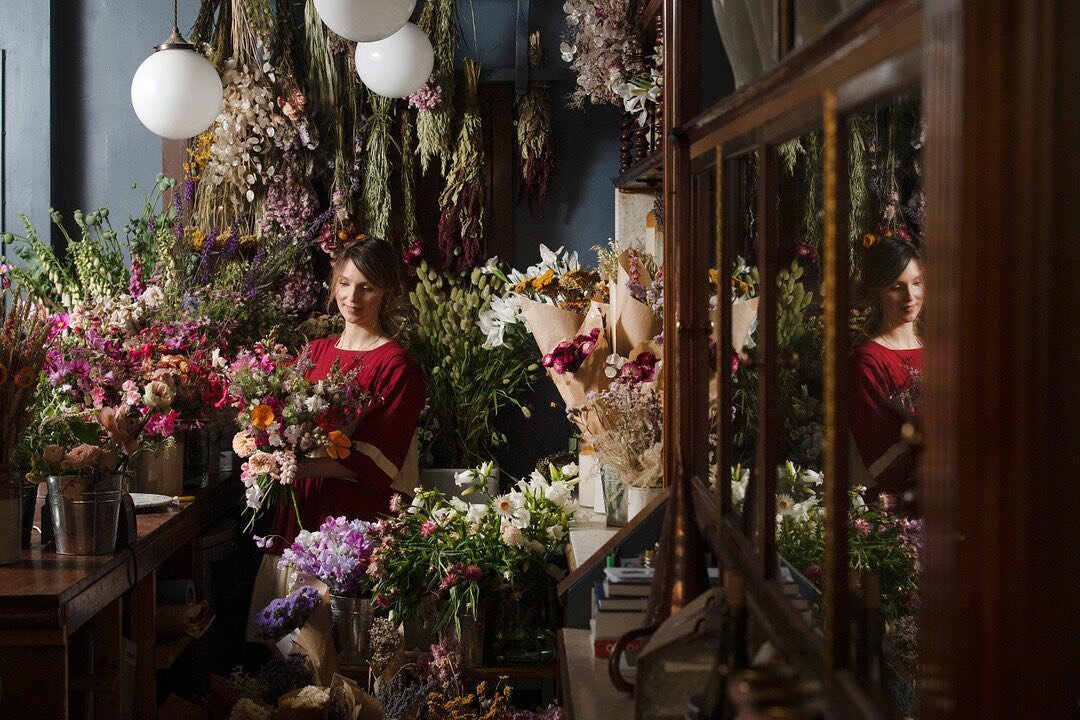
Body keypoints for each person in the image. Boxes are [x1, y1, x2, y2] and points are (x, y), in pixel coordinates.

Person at [246, 236, 426, 638]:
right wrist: (266, 448)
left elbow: (374, 463)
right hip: (302, 505)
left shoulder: (396, 366)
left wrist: (294, 466)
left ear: (387, 292)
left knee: (344, 641)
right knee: (290, 643)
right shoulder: (314, 352)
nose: (352, 296)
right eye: (345, 283)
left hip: (354, 518)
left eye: (367, 287)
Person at [850, 236, 923, 512]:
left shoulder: (937, 352)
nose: (911, 297)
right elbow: (882, 458)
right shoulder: (867, 362)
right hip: (902, 510)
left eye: (917, 283)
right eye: (897, 287)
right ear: (878, 292)